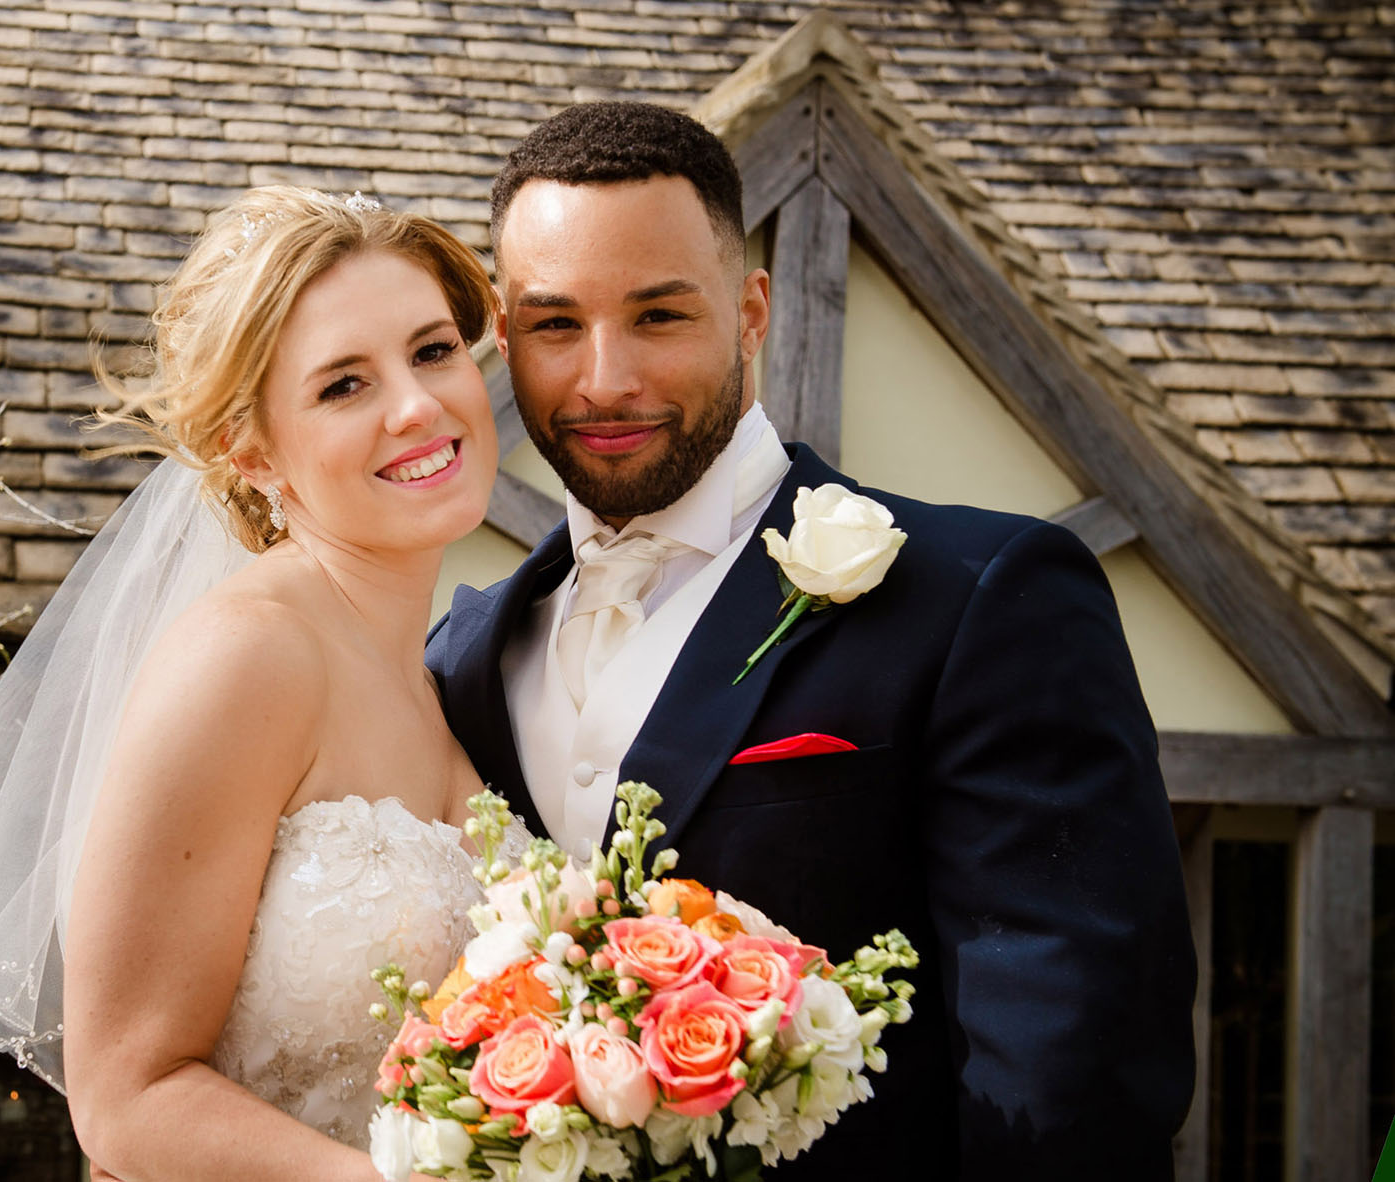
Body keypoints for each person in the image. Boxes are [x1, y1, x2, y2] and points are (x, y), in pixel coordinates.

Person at [426, 101, 1197, 1177]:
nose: (604, 379)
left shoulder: (982, 596)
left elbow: (1075, 1075)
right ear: (506, 339)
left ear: (751, 313)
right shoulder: (458, 659)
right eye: (556, 326)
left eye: (658, 315)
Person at [0, 187, 509, 1181]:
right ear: (251, 451)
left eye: (432, 351)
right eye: (343, 384)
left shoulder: (434, 677)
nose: (416, 405)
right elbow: (127, 1098)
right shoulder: (248, 656)